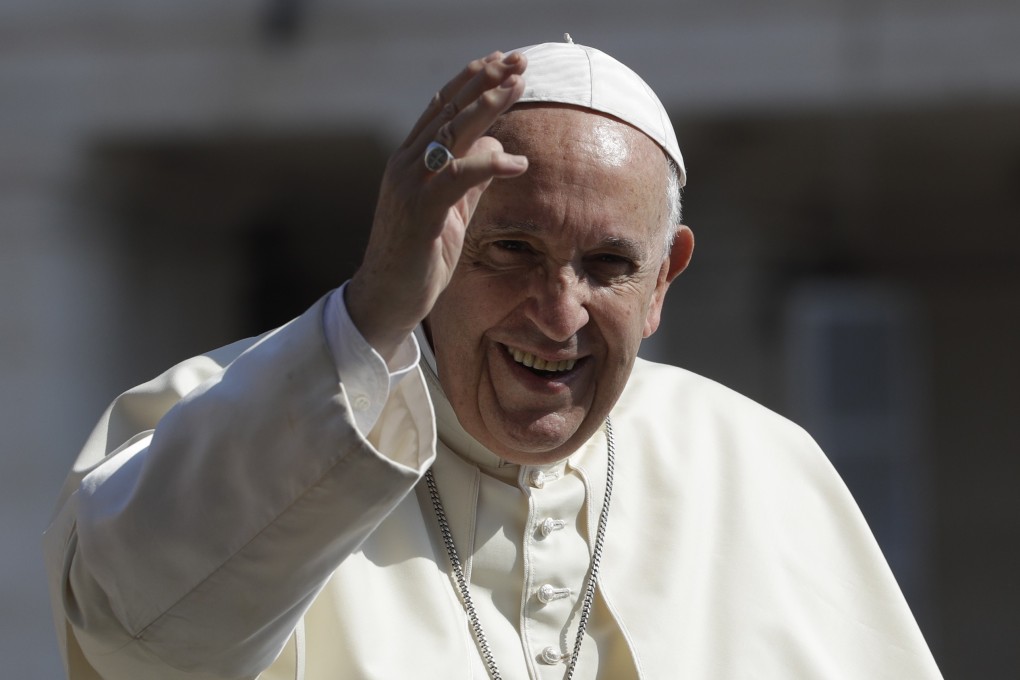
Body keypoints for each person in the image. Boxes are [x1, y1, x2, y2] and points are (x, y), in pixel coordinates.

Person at [43, 38, 942, 679]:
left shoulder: (765, 465)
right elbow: (137, 640)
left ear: (663, 280)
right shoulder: (228, 412)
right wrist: (369, 319)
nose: (558, 314)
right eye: (511, 251)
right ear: (432, 240)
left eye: (608, 265)